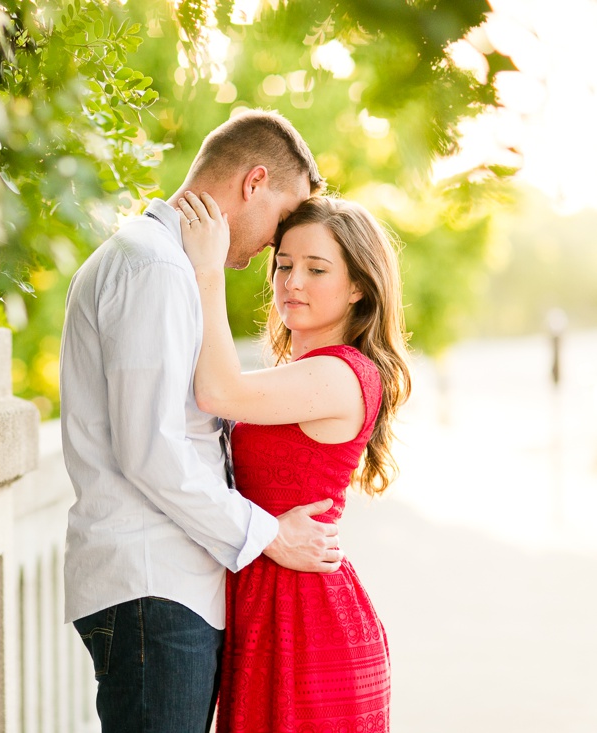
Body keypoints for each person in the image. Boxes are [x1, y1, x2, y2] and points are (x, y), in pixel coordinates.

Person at [59, 110, 343, 733]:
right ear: (254, 182)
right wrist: (270, 536)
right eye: (279, 224)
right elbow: (150, 450)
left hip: (166, 587)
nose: (276, 245)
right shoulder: (155, 268)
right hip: (153, 587)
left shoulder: (161, 262)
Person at [175, 191, 412, 733]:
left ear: (358, 286)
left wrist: (209, 269)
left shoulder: (340, 374)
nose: (292, 281)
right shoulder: (301, 371)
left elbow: (215, 390)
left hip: (307, 621)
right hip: (270, 603)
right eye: (282, 265)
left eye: (316, 268)